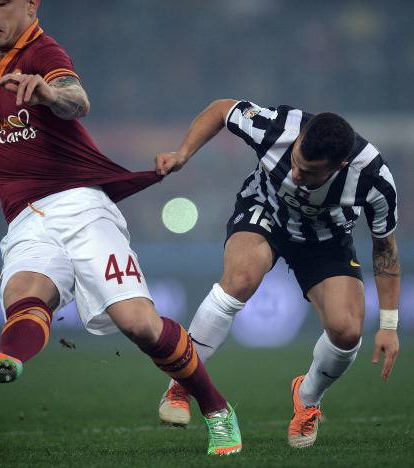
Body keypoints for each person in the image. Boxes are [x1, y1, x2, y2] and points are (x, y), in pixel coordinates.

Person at [0, 0, 241, 456]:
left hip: (81, 205)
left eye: (3, 2)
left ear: (31, 5)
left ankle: (217, 409)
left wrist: (49, 95)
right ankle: (6, 359)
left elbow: (77, 99)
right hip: (25, 217)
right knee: (24, 294)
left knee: (139, 324)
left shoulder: (43, 53)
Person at [155, 99, 400, 448]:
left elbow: (385, 248)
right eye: (296, 161)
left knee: (347, 331)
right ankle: (181, 383)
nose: (296, 175)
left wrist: (388, 325)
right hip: (266, 210)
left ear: (340, 166)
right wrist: (183, 153)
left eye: (309, 172)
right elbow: (222, 109)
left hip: (326, 238)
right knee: (240, 279)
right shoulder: (277, 128)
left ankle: (308, 398)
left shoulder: (374, 179)